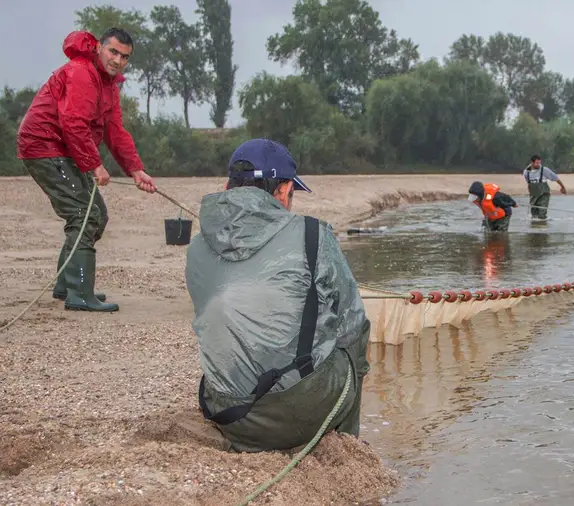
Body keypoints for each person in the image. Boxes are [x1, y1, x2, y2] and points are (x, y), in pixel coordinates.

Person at [184, 138, 371, 453]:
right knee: (353, 347)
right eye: (293, 192)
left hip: (229, 416)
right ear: (283, 189)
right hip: (297, 415)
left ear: (230, 185)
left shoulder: (197, 247)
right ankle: (348, 447)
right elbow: (353, 324)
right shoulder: (314, 234)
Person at [17, 28, 157, 312]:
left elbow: (115, 131)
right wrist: (95, 165)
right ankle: (79, 293)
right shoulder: (81, 73)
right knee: (83, 214)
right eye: (113, 52)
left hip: (64, 151)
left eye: (125, 57)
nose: (118, 60)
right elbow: (73, 124)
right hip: (44, 147)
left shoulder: (108, 86)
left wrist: (136, 170)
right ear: (99, 48)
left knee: (97, 215)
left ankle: (66, 285)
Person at [523, 154, 566, 221]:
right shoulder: (526, 172)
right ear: (532, 162)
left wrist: (562, 187)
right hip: (533, 195)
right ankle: (535, 230)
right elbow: (529, 183)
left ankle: (542, 228)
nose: (539, 164)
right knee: (534, 216)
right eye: (537, 163)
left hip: (544, 194)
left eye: (539, 163)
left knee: (542, 215)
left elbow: (556, 178)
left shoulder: (544, 170)